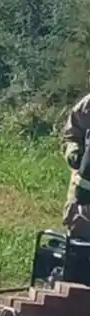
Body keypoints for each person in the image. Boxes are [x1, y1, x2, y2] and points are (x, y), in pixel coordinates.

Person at [61, 94, 90, 239]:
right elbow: (72, 135)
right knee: (79, 248)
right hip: (84, 191)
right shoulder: (88, 105)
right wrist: (73, 152)